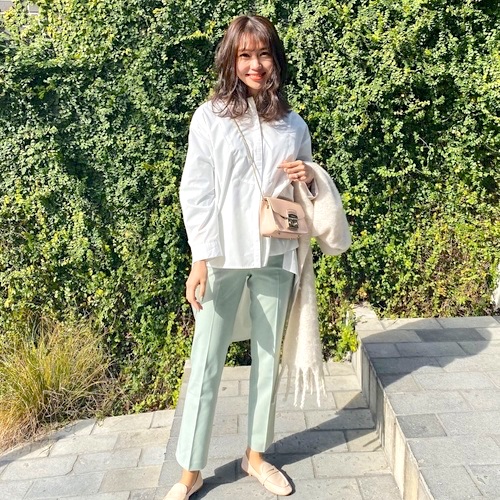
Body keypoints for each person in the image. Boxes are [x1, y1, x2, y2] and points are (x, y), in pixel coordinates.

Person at [165, 14, 351, 500]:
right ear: (230, 60)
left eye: (263, 54)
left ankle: (256, 456)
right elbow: (196, 191)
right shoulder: (210, 117)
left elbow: (306, 187)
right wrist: (200, 259)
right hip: (223, 253)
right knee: (206, 360)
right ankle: (190, 471)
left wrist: (309, 175)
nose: (255, 64)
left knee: (267, 359)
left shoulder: (292, 123)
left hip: (277, 251)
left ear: (275, 60)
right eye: (244, 55)